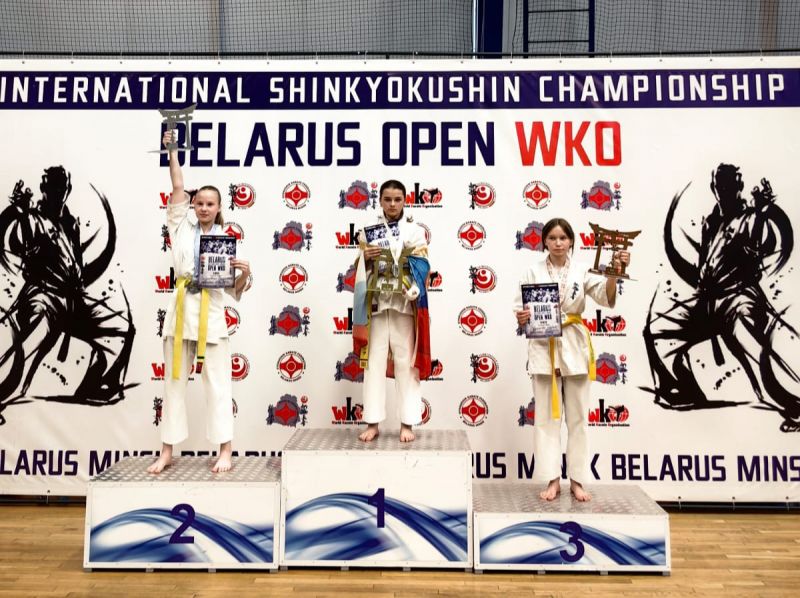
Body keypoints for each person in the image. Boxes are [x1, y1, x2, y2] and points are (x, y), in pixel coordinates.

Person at [148, 130, 251, 474]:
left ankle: (225, 449)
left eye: (210, 204)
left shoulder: (225, 241)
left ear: (219, 208)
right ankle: (166, 451)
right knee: (173, 385)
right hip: (180, 314)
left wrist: (245, 273)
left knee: (219, 385)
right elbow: (177, 183)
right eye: (200, 203)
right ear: (192, 205)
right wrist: (172, 150)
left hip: (213, 316)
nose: (204, 208)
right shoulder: (180, 226)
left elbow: (235, 290)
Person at [513, 218, 628, 501]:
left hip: (575, 346)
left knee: (578, 419)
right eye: (552, 238)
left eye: (563, 238)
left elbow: (605, 297)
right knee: (546, 419)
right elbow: (519, 308)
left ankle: (577, 480)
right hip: (544, 348)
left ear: (571, 241)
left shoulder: (582, 270)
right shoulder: (532, 271)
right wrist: (523, 316)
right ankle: (552, 479)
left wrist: (614, 274)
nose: (558, 243)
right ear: (544, 241)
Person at [352, 180, 431, 443]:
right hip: (376, 304)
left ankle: (407, 423)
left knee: (406, 364)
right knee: (373, 363)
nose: (393, 204)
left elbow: (423, 264)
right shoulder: (368, 230)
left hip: (403, 304)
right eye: (387, 199)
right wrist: (366, 257)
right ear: (380, 201)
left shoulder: (415, 231)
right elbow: (359, 267)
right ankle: (372, 422)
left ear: (405, 200)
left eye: (397, 199)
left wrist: (415, 287)